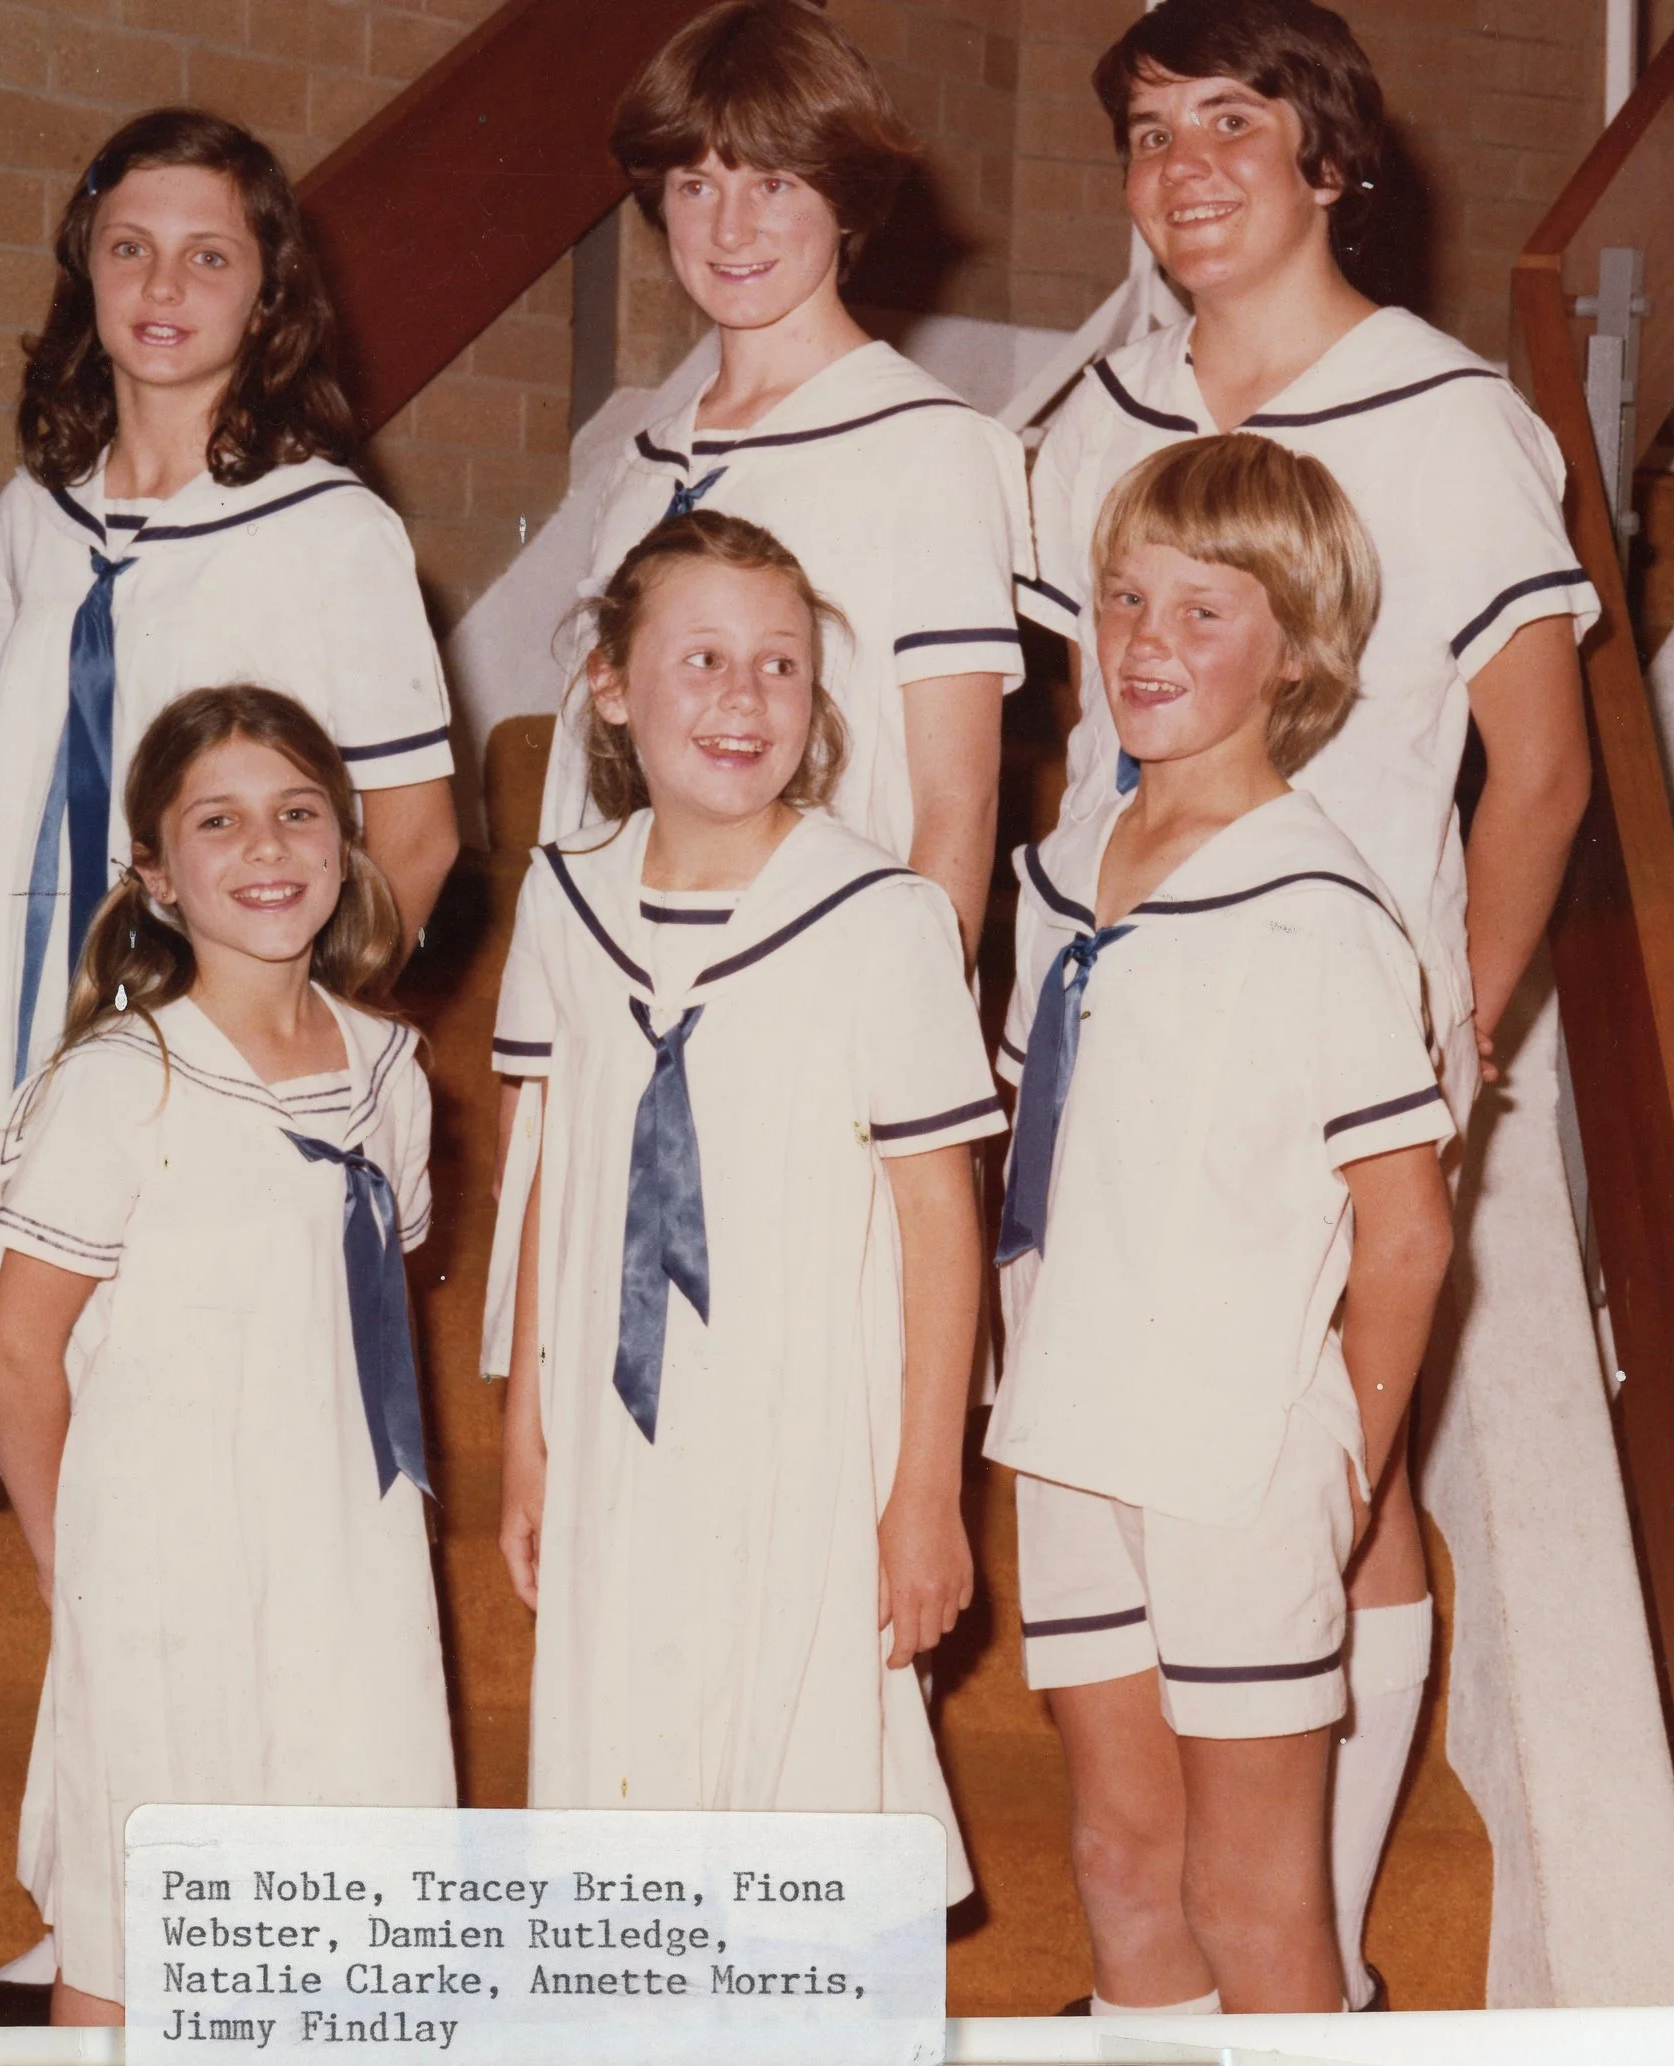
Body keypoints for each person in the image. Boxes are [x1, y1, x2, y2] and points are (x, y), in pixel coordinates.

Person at [1018, 0, 1596, 2002]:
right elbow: (1064, 721)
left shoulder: (1437, 419)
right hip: (1134, 1034)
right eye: (1147, 134)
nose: (1181, 171)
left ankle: (1308, 1947)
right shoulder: (1098, 407)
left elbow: (1538, 766)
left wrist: (1463, 1033)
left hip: (1340, 1035)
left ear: (1327, 161)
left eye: (1230, 128)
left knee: (1343, 1495)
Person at [0, 106, 460, 1483]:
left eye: (209, 258)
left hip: (215, 1027)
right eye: (131, 248)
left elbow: (420, 837)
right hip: (25, 996)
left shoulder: (333, 531)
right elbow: (7, 788)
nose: (162, 287)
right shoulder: (32, 515)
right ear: (83, 268)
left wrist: (280, 1047)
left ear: (271, 292)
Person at [988, 435, 1454, 2013]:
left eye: (1205, 611)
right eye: (1125, 600)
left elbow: (1406, 1232)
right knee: (1125, 1863)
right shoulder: (1062, 870)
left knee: (1252, 1903)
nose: (1145, 643)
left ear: (1299, 650)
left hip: (1232, 1451)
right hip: (1071, 1425)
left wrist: (1350, 1464)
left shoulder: (1315, 906)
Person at [494, 511, 1000, 1899]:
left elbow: (938, 1224)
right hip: (617, 1432)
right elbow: (554, 1177)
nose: (742, 697)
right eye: (702, 657)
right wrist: (527, 1424)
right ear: (612, 681)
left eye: (780, 666)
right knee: (625, 1791)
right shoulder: (564, 902)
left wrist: (927, 1487)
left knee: (801, 1819)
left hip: (807, 1437)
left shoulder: (880, 917)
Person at [0, 686, 453, 2027]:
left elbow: (361, 1319)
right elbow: (14, 1353)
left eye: (299, 812)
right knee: (141, 1938)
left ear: (348, 843)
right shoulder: (126, 1080)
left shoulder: (389, 1072)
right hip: (166, 1568)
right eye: (220, 821)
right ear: (156, 874)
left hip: (345, 1561)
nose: (267, 848)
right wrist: (79, 1563)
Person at [540, 0, 1030, 959]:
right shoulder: (639, 464)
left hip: (820, 990)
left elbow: (956, 805)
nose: (729, 227)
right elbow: (588, 778)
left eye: (772, 182)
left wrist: (914, 1047)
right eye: (695, 183)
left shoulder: (928, 445)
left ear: (843, 199)